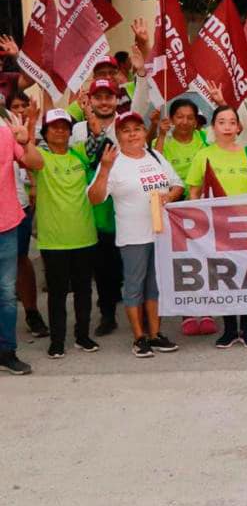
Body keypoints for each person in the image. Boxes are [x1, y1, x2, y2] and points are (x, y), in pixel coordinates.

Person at [87, 111, 185, 358]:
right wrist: (105, 169)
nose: (132, 134)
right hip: (133, 237)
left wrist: (169, 196)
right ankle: (139, 337)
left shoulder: (155, 156)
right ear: (119, 135)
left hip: (159, 234)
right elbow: (95, 198)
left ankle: (155, 334)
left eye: (137, 129)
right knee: (134, 288)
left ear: (144, 132)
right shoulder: (114, 161)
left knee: (154, 287)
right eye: (126, 130)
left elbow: (178, 184)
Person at [184, 105, 247, 349]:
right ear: (213, 127)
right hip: (217, 228)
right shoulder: (203, 155)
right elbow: (194, 190)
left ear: (238, 127)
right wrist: (198, 219)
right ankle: (229, 329)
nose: (227, 126)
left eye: (231, 122)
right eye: (221, 122)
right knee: (224, 278)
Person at [26, 109, 100, 359]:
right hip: (54, 240)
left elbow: (100, 146)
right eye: (54, 127)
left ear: (71, 131)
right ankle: (57, 341)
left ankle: (82, 336)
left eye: (64, 126)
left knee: (83, 291)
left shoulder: (79, 154)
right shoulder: (42, 158)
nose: (60, 130)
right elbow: (28, 158)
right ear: (45, 132)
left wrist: (92, 121)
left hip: (84, 235)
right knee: (57, 294)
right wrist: (29, 131)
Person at [73, 77, 124, 337]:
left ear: (117, 99)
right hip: (94, 207)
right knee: (102, 265)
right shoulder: (77, 130)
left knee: (122, 262)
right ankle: (107, 314)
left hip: (124, 206)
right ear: (90, 101)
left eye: (109, 97)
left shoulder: (126, 125)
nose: (104, 102)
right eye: (99, 97)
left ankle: (131, 303)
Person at [4, 91, 46, 338]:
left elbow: (33, 162)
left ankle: (31, 312)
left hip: (13, 208)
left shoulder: (7, 119)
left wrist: (24, 140)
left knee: (19, 262)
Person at [0, 106, 38, 374]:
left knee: (6, 296)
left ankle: (7, 351)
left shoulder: (6, 131)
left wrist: (26, 140)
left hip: (7, 225)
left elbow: (36, 164)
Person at [154, 98, 208, 190]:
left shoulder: (205, 136)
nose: (185, 122)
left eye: (190, 118)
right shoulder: (160, 141)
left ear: (195, 121)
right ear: (171, 119)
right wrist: (162, 135)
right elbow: (155, 168)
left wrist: (221, 103)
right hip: (173, 198)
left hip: (200, 197)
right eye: (179, 117)